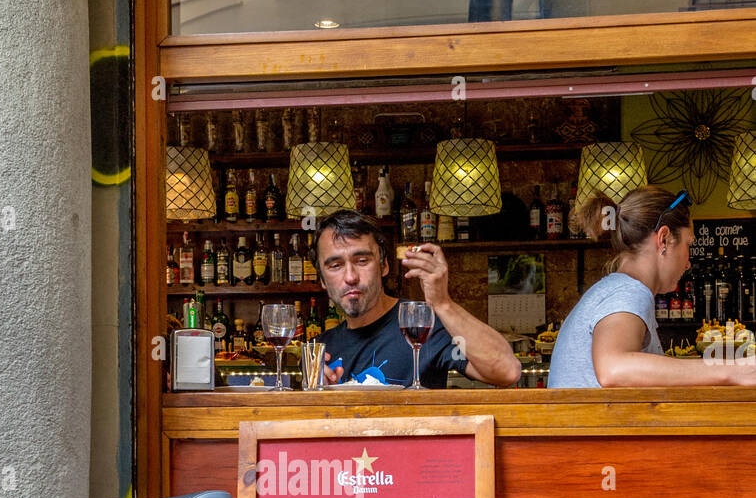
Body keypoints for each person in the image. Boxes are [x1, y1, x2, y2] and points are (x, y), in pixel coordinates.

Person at [547, 186, 756, 388]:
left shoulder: (616, 289)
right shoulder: (629, 291)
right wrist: (735, 370)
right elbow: (615, 369)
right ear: (663, 239)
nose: (689, 262)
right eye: (688, 244)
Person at [312, 210, 520, 388]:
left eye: (362, 260)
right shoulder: (321, 348)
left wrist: (442, 303)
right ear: (322, 279)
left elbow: (506, 371)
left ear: (384, 266)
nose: (350, 277)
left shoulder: (421, 326)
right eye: (335, 265)